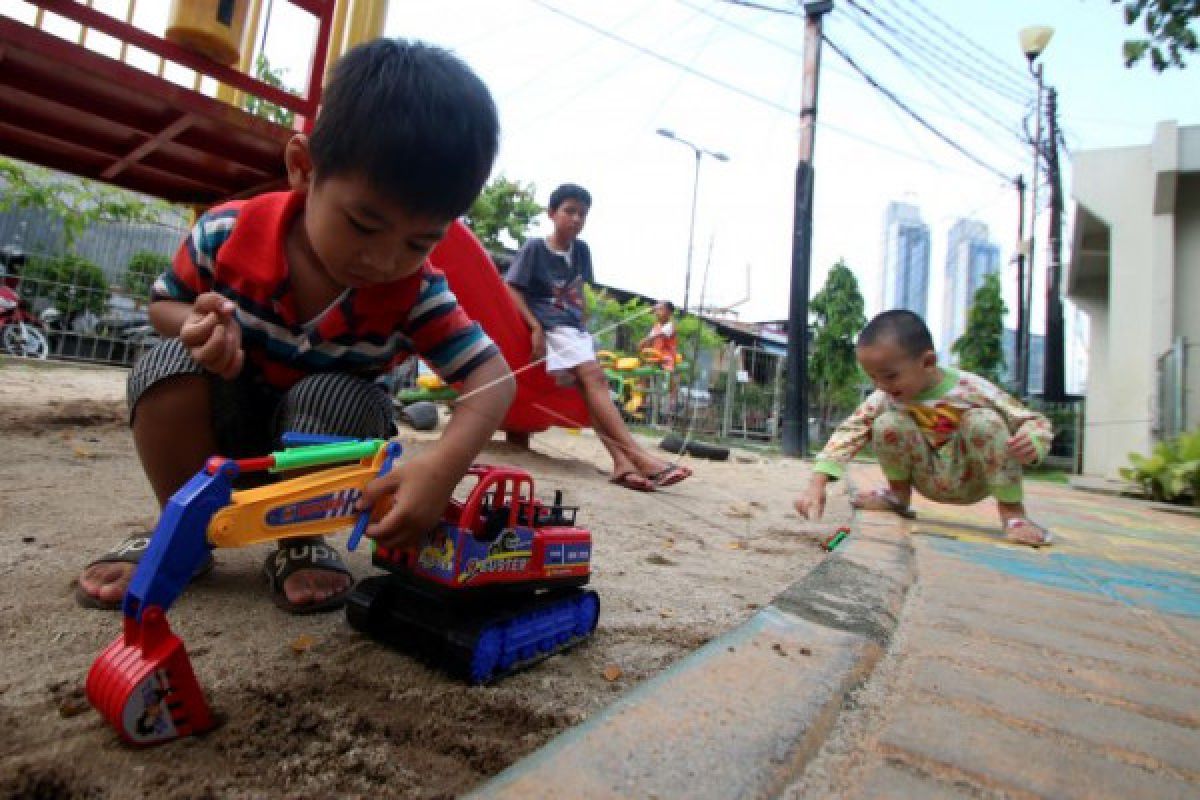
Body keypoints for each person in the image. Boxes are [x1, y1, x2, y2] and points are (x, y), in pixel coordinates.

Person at [76, 39, 514, 613]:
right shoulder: (227, 233)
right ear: (303, 168)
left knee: (339, 393)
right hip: (216, 433)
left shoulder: (416, 292)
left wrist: (441, 467)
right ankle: (180, 528)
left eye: (420, 241)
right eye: (363, 225)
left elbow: (495, 375)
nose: (384, 261)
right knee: (164, 364)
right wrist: (198, 324)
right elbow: (165, 304)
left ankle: (297, 539)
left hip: (317, 453)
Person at [794, 309, 1054, 546]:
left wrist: (1032, 439)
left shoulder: (970, 388)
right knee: (886, 422)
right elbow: (850, 431)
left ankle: (1013, 515)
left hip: (975, 478)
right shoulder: (887, 397)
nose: (882, 385)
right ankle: (897, 497)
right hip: (927, 477)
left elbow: (1032, 421)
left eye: (890, 375)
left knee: (984, 420)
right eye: (873, 377)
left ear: (928, 362)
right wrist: (817, 485)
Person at [504, 184, 691, 492]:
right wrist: (535, 327)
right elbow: (512, 288)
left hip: (574, 330)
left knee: (590, 388)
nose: (576, 219)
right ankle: (637, 457)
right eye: (569, 211)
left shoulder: (582, 251)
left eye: (582, 214)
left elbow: (580, 291)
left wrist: (584, 324)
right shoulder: (535, 248)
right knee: (596, 379)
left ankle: (621, 463)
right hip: (553, 328)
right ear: (552, 214)